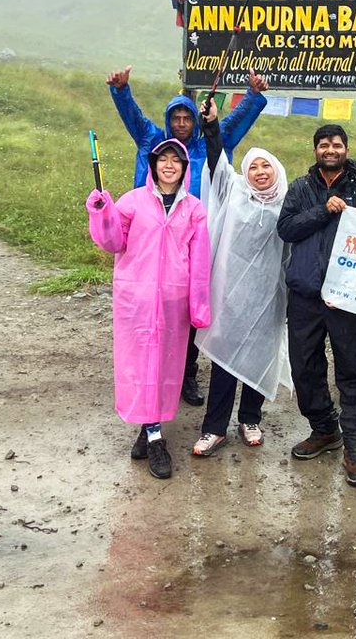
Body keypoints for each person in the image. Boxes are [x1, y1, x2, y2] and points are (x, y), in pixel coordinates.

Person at [105, 66, 269, 408]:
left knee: (188, 310)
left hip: (197, 241)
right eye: (175, 118)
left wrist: (253, 95)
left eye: (186, 118)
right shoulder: (153, 141)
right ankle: (146, 375)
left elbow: (231, 126)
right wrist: (121, 90)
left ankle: (186, 373)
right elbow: (133, 118)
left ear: (195, 120)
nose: (181, 123)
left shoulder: (209, 145)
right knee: (151, 310)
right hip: (150, 241)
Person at [86, 138, 211, 481]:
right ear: (153, 165)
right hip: (136, 300)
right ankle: (155, 438)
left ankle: (149, 430)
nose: (169, 165)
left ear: (184, 168)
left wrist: (198, 304)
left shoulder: (194, 209)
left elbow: (200, 260)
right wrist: (102, 211)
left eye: (176, 160)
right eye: (163, 159)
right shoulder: (132, 201)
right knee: (139, 366)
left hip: (173, 301)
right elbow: (113, 241)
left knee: (165, 367)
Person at [276, 124, 356, 487]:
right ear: (316, 150)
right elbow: (286, 228)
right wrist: (324, 210)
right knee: (305, 367)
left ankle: (355, 447)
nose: (330, 149)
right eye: (324, 144)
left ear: (346, 149)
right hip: (304, 294)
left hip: (345, 299)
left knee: (352, 370)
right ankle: (323, 429)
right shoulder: (300, 189)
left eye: (336, 144)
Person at [191, 101, 291, 457]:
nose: (260, 172)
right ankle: (214, 427)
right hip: (229, 293)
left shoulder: (288, 202)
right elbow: (217, 160)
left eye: (266, 166)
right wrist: (211, 127)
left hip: (268, 295)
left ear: (277, 170)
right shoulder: (232, 191)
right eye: (253, 166)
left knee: (259, 355)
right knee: (224, 357)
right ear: (245, 172)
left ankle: (250, 418)